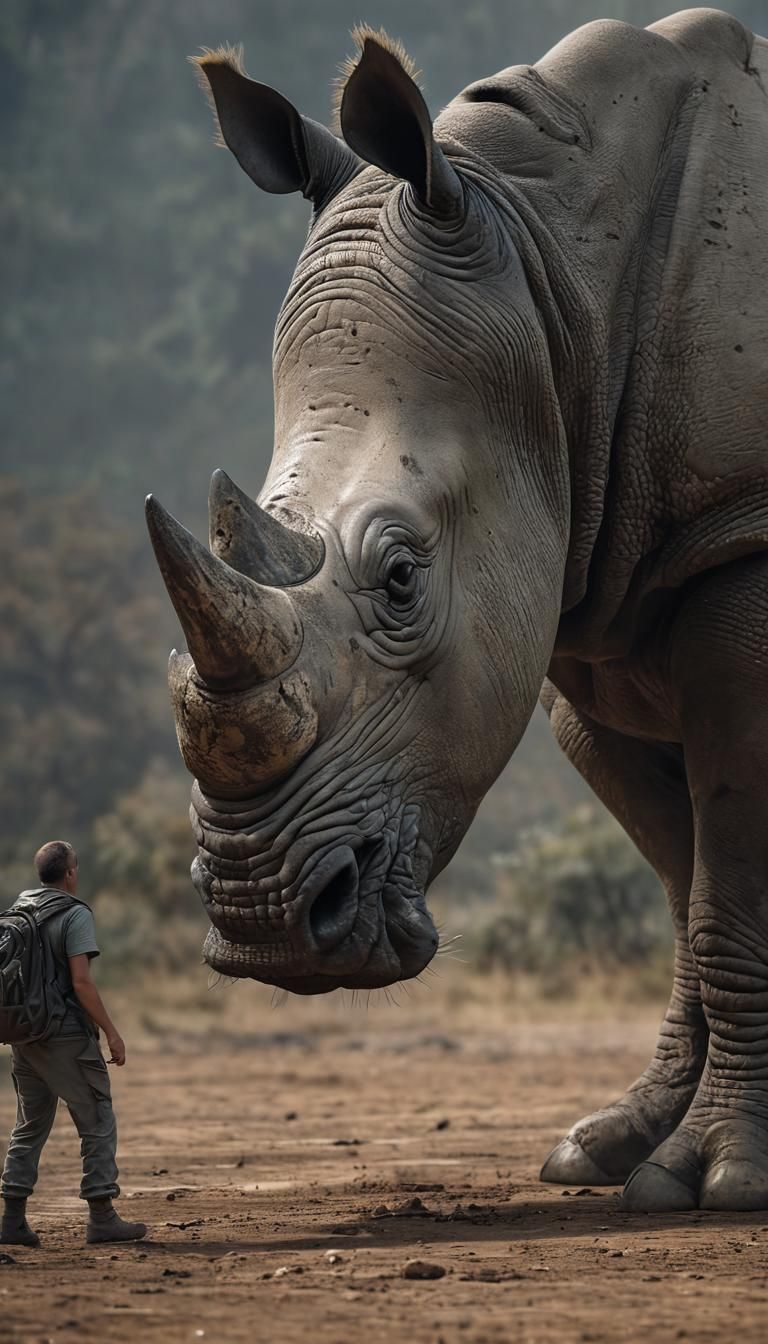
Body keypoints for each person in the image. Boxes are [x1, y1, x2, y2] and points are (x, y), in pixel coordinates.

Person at [1, 841, 146, 1247]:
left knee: (29, 1125)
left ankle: (12, 1219)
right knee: (97, 1117)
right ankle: (102, 1217)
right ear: (69, 874)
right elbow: (81, 982)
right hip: (64, 1035)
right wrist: (112, 1032)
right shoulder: (74, 913)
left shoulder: (18, 908)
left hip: (26, 1035)